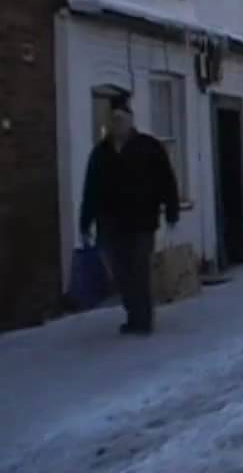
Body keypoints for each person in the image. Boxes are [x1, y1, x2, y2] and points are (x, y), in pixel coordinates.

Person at [79, 95, 180, 335]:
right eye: (113, 120)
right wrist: (85, 222)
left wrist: (172, 210)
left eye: (121, 119)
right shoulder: (101, 153)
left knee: (139, 269)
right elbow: (91, 189)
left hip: (142, 220)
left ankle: (143, 319)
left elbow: (166, 180)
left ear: (130, 121)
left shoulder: (149, 147)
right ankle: (133, 314)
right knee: (121, 272)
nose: (117, 124)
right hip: (111, 222)